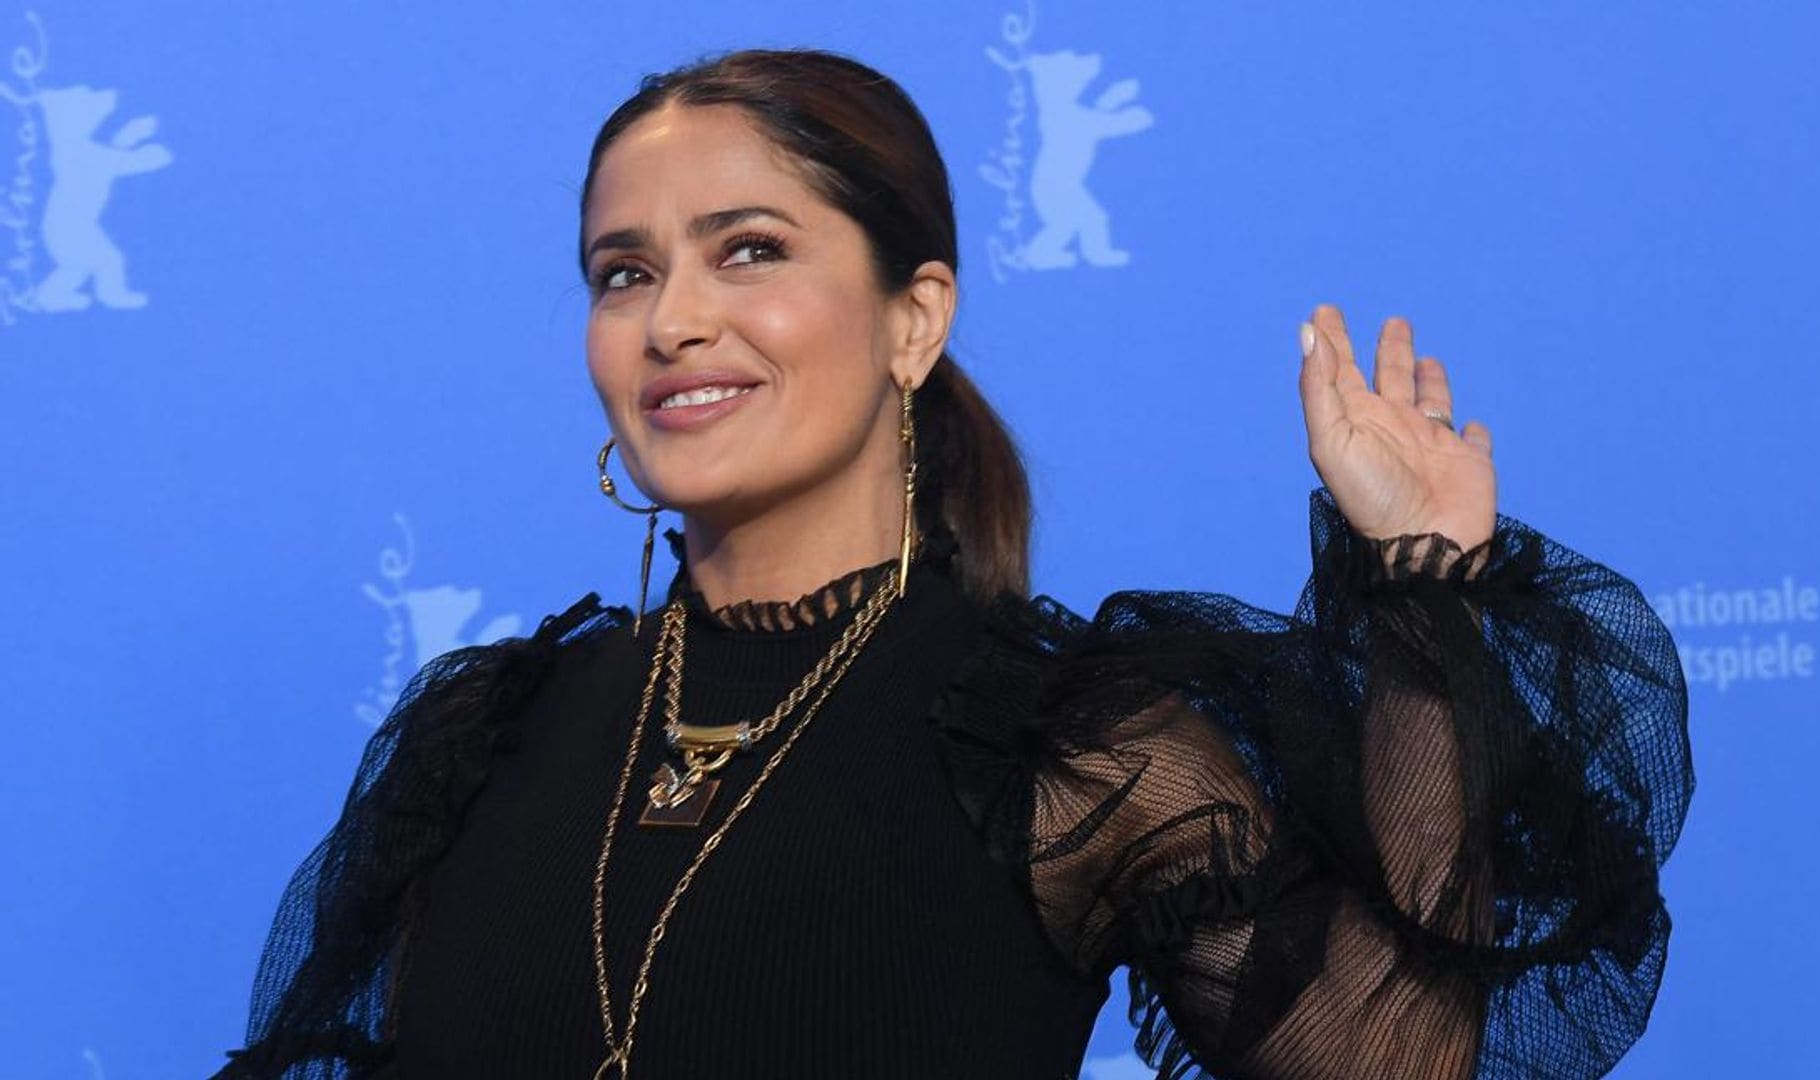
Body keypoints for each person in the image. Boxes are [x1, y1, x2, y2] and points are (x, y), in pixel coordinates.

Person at [215, 48, 1693, 1080]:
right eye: (624, 272)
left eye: (749, 251)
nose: (671, 321)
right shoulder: (488, 737)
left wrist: (1422, 589)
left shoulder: (1065, 740)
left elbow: (1392, 1062)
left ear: (915, 320)